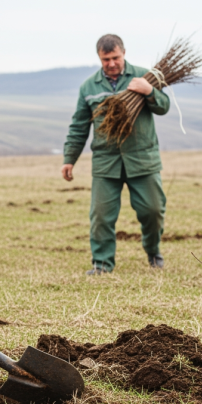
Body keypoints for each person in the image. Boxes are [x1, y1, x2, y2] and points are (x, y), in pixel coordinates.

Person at [61, 34, 170, 275]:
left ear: (124, 53)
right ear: (99, 58)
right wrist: (69, 159)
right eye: (105, 59)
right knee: (101, 216)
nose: (111, 63)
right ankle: (101, 265)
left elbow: (164, 106)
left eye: (115, 58)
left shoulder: (144, 76)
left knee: (153, 210)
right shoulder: (88, 87)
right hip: (105, 161)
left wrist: (149, 90)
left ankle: (153, 251)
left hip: (143, 159)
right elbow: (79, 125)